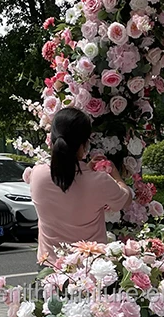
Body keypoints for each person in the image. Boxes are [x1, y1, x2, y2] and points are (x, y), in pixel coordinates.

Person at [30, 107, 132, 265]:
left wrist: (85, 170)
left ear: (52, 139)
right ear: (84, 144)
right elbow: (125, 199)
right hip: (90, 269)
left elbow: (67, 178)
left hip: (49, 268)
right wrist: (116, 177)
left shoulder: (37, 175)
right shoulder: (100, 181)